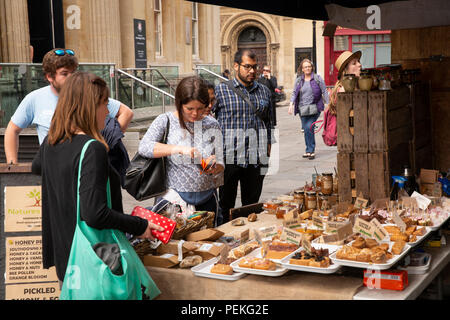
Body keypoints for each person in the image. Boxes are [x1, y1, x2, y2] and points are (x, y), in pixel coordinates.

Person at [31, 71, 163, 289]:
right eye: (104, 104)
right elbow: (95, 213)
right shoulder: (92, 148)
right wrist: (139, 225)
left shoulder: (52, 141)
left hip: (66, 256)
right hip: (94, 259)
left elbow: (38, 167)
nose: (107, 112)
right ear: (88, 107)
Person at [4, 48, 133, 164]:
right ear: (50, 76)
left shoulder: (88, 95)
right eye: (65, 74)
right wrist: (12, 164)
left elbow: (126, 112)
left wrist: (106, 143)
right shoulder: (34, 98)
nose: (71, 78)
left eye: (73, 73)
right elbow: (12, 129)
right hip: (54, 168)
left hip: (86, 164)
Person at [138, 76, 224, 225]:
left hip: (207, 198)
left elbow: (221, 161)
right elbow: (144, 147)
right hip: (173, 199)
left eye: (200, 109)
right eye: (189, 109)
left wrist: (215, 167)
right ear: (179, 103)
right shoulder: (166, 121)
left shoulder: (212, 124)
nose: (195, 114)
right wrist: (177, 149)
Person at [213, 49, 272, 225]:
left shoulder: (264, 91)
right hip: (228, 158)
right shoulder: (221, 91)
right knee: (225, 205)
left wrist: (268, 146)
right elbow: (207, 120)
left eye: (255, 67)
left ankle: (249, 241)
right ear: (236, 66)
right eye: (247, 67)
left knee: (252, 205)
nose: (252, 71)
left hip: (256, 158)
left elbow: (269, 122)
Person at [288, 59, 329, 160]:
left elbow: (324, 91)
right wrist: (291, 104)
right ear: (302, 69)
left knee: (308, 128)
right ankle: (308, 150)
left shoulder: (317, 78)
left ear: (312, 67)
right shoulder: (299, 80)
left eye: (309, 66)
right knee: (307, 129)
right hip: (302, 108)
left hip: (315, 107)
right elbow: (294, 92)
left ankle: (310, 150)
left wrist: (328, 104)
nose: (307, 68)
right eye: (305, 67)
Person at [328, 51, 362, 115]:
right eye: (354, 63)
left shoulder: (357, 86)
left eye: (359, 61)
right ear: (345, 71)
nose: (359, 65)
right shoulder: (343, 90)